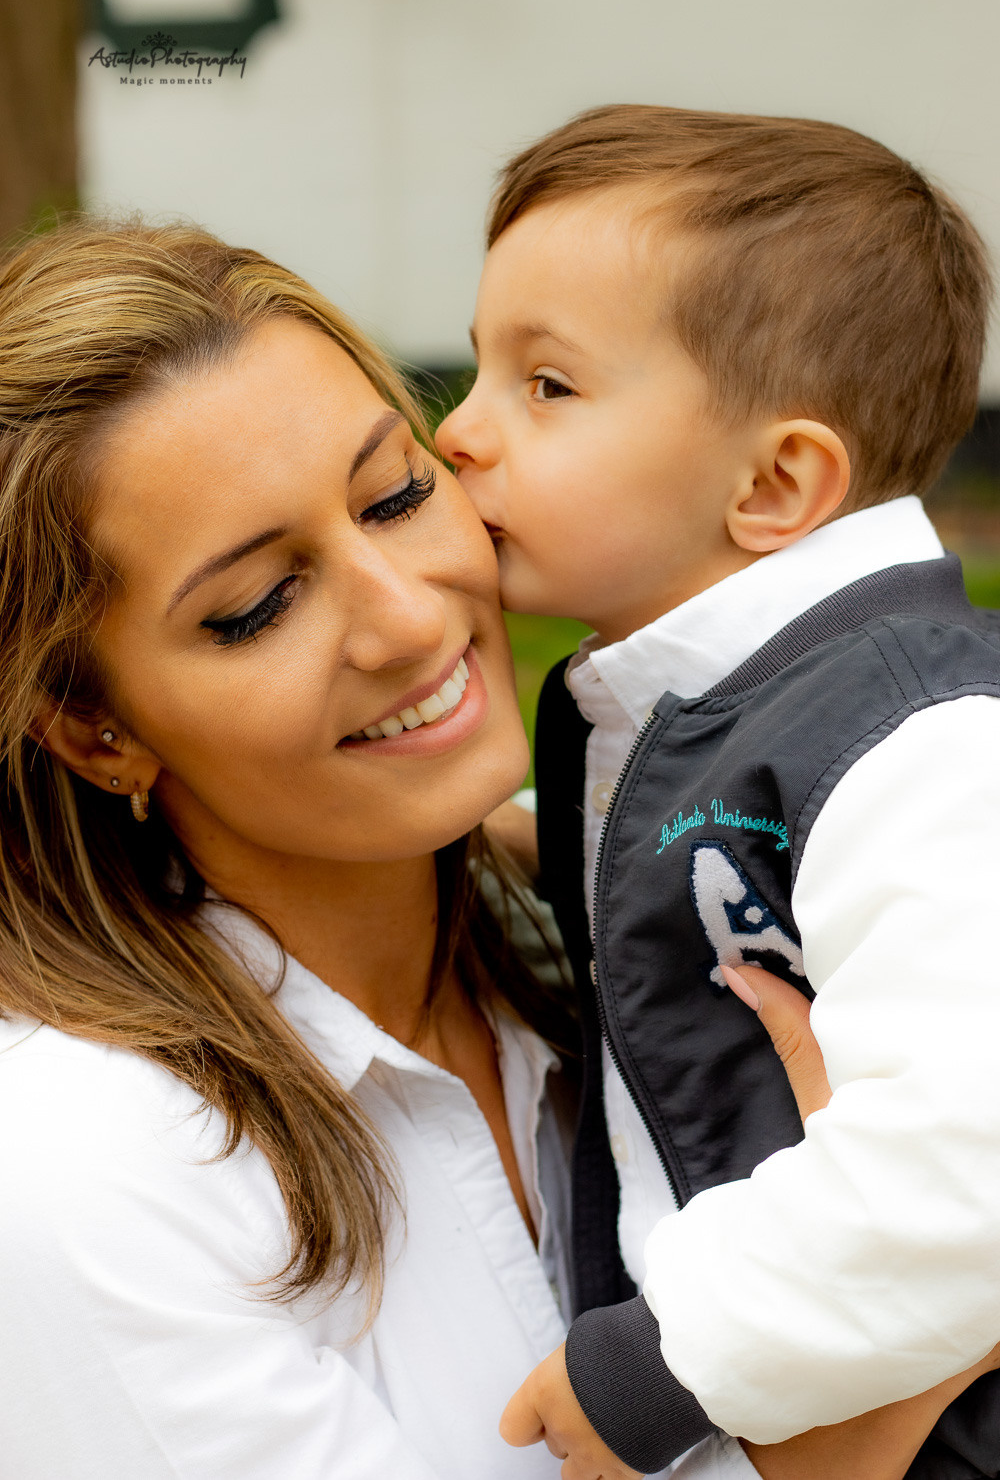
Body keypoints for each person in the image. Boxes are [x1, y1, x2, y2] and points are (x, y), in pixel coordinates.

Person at [0, 216, 986, 1480]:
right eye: (256, 607)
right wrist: (857, 1423)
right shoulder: (85, 1174)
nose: (410, 619)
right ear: (94, 731)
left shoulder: (621, 927)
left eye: (397, 494)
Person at [436, 104, 1000, 1478]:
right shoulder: (733, 710)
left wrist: (673, 1351)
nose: (460, 433)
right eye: (476, 371)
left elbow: (972, 1140)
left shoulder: (920, 742)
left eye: (546, 387)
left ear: (776, 481)